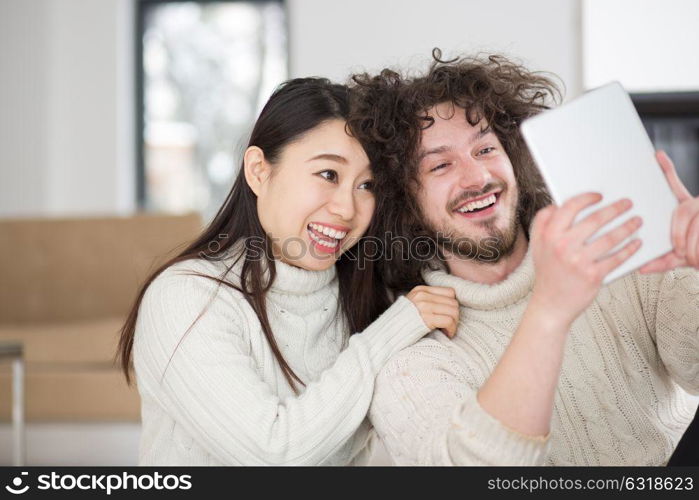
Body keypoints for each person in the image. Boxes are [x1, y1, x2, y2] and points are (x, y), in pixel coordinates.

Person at [348, 52, 699, 465]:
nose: (477, 178)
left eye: (485, 149)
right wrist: (549, 310)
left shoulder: (623, 257)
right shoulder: (411, 353)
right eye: (441, 165)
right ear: (405, 200)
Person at [116, 77, 459, 465]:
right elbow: (274, 454)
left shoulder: (370, 297)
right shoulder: (187, 298)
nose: (347, 209)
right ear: (259, 171)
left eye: (367, 185)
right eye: (328, 174)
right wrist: (396, 328)